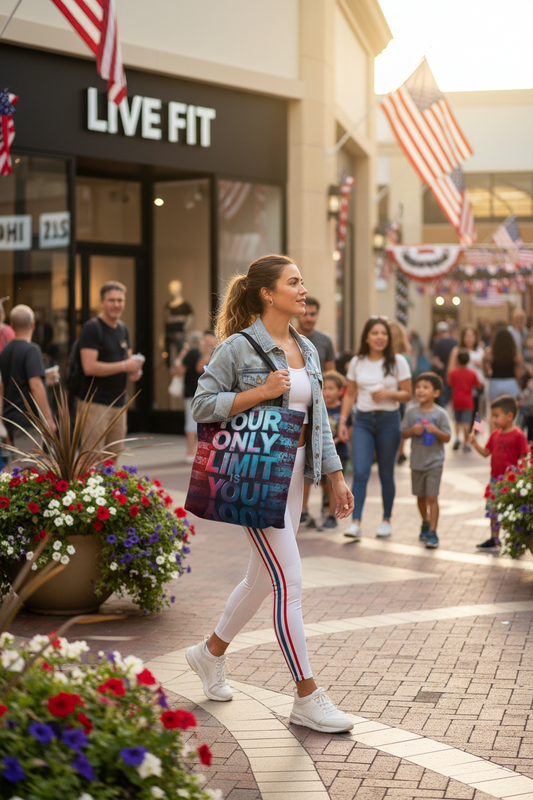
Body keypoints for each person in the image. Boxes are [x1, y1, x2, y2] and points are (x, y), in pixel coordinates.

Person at [188, 255, 354, 732]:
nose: (303, 290)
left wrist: (335, 475)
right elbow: (201, 405)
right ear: (267, 292)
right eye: (294, 282)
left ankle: (208, 653)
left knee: (263, 579)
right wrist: (259, 392)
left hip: (297, 475)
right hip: (256, 478)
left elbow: (316, 418)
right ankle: (307, 694)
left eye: (302, 282)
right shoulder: (238, 348)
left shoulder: (308, 348)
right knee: (290, 583)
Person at [338, 316, 412, 541]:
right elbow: (350, 394)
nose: (380, 337)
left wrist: (389, 393)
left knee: (385, 473)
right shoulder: (358, 362)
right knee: (360, 472)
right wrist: (342, 421)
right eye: (375, 333)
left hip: (389, 421)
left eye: (384, 334)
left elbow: (408, 393)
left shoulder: (398, 361)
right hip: (362, 422)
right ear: (367, 337)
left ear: (388, 338)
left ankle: (386, 520)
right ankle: (356, 523)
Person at [78, 281, 143, 460]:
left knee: (112, 458)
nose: (116, 305)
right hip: (95, 403)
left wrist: (134, 370)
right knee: (91, 458)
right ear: (101, 302)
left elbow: (128, 361)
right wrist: (124, 366)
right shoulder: (92, 328)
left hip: (119, 403)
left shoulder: (123, 329)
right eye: (111, 300)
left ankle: (111, 488)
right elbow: (89, 367)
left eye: (120, 300)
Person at [469, 395, 529, 551]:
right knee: (493, 510)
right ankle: (494, 538)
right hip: (495, 479)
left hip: (511, 482)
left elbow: (524, 458)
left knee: (513, 512)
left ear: (509, 416)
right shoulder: (495, 434)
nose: (493, 420)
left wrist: (523, 478)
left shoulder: (518, 435)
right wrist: (475, 443)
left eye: (496, 416)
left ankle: (517, 540)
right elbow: (485, 452)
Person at [0, 304, 56, 462]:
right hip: (28, 420)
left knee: (21, 468)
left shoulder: (5, 352)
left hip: (11, 418)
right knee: (31, 470)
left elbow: (4, 385)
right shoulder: (32, 350)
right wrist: (48, 419)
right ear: (33, 325)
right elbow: (35, 385)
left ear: (11, 325)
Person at [401, 372, 451, 549]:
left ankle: (433, 532)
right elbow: (403, 433)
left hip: (434, 462)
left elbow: (447, 438)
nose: (420, 390)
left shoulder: (441, 414)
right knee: (420, 497)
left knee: (432, 496)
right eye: (418, 387)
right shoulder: (411, 411)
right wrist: (412, 430)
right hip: (416, 462)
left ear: (436, 393)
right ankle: (424, 521)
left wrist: (436, 430)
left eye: (426, 387)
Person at [174, 330, 217, 463]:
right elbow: (200, 369)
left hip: (204, 393)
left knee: (203, 423)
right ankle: (190, 452)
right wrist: (205, 353)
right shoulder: (194, 354)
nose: (208, 343)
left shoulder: (214, 353)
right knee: (192, 424)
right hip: (193, 393)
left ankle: (201, 452)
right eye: (206, 341)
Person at [319, 370, 353, 530]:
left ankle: (332, 516)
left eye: (331, 388)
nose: (326, 392)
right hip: (320, 454)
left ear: (340, 391)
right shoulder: (318, 408)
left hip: (339, 453)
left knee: (334, 486)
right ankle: (327, 505)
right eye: (323, 388)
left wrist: (339, 439)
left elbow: (348, 432)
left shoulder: (343, 411)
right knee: (324, 484)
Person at [447, 325, 485, 424]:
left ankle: (475, 433)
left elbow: (486, 368)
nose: (469, 339)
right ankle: (463, 435)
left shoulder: (480, 351)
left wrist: (479, 364)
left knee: (477, 412)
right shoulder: (457, 350)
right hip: (462, 387)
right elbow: (450, 370)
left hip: (477, 386)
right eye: (467, 336)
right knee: (460, 416)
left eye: (471, 336)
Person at [447, 349, 483, 452]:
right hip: (468, 401)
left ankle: (457, 438)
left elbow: (449, 383)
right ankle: (466, 442)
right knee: (467, 422)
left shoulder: (453, 372)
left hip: (456, 400)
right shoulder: (472, 373)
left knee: (457, 421)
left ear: (457, 360)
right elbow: (478, 385)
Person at [389, 320, 412, 464]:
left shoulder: (401, 357)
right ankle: (400, 451)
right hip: (399, 395)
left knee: (399, 423)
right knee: (401, 424)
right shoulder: (406, 356)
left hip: (396, 394)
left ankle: (398, 452)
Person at [483, 328, 522, 405]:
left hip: (495, 382)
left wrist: (487, 374)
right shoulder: (515, 353)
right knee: (511, 410)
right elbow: (519, 370)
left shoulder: (491, 351)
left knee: (495, 410)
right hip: (510, 381)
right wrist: (516, 380)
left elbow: (485, 363)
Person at [431, 321, 457, 407]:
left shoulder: (438, 342)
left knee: (443, 399)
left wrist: (440, 366)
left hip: (442, 374)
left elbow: (436, 360)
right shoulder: (455, 342)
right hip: (454, 374)